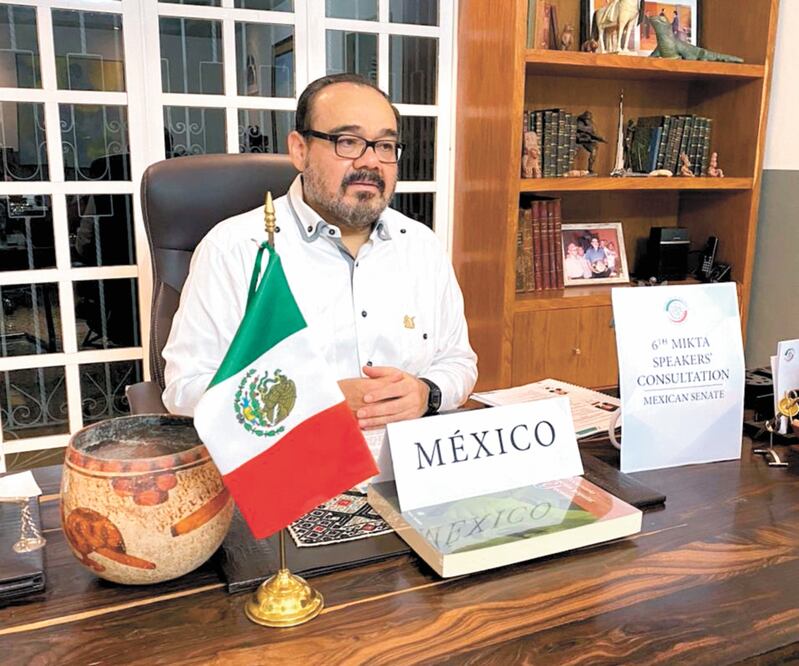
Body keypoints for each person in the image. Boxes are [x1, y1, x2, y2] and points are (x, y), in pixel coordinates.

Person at [161, 73, 478, 428]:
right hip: (295, 465)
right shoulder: (235, 249)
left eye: (386, 146)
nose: (371, 162)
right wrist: (312, 402)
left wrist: (427, 393)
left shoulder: (421, 246)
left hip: (410, 463)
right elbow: (184, 389)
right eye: (348, 141)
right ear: (300, 150)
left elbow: (459, 361)